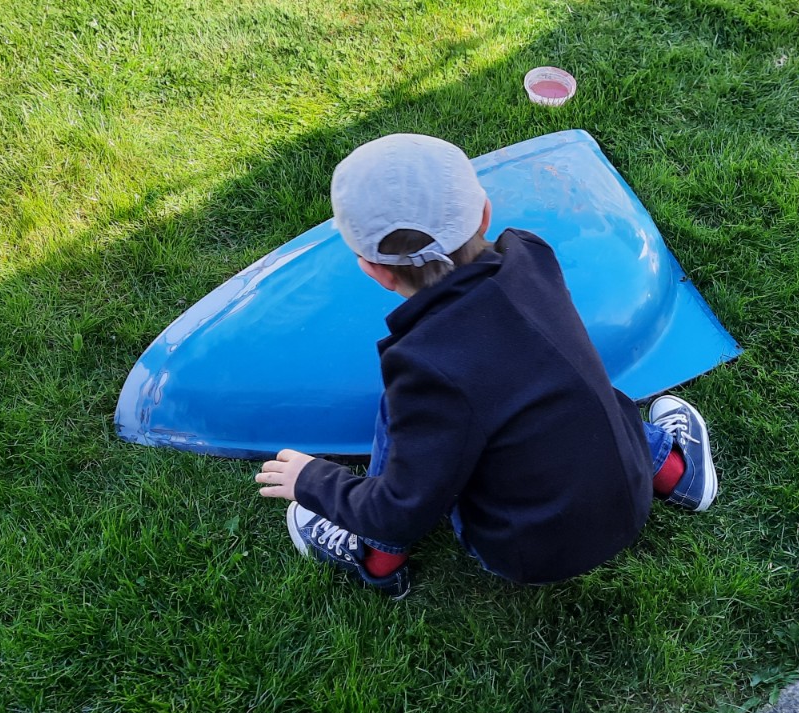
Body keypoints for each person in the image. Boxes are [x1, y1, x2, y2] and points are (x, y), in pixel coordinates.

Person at [253, 134, 717, 597]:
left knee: (400, 412)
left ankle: (377, 556)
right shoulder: (531, 253)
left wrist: (312, 480)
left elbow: (399, 509)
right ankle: (675, 471)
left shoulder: (421, 368)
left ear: (374, 270)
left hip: (527, 550)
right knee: (562, 380)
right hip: (629, 490)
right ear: (485, 215)